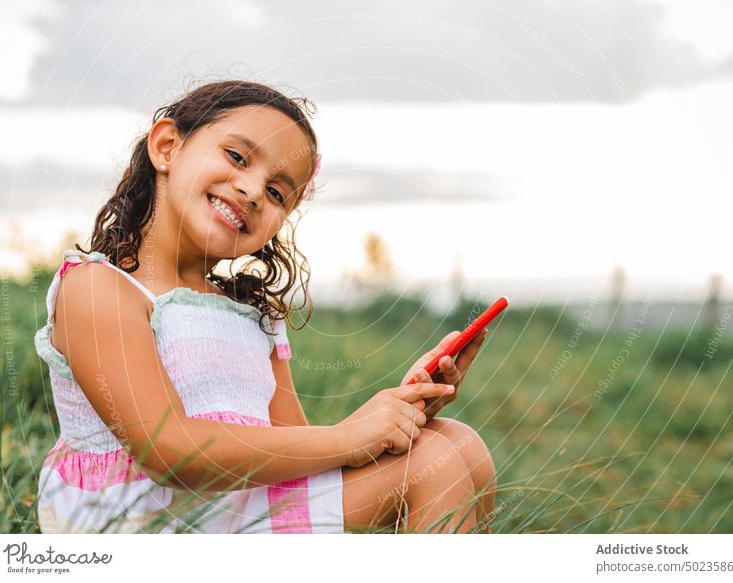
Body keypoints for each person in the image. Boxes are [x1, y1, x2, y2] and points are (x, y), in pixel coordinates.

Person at [34, 79, 496, 534]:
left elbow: (297, 455)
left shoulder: (253, 317)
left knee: (458, 445)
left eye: (277, 193)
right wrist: (351, 438)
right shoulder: (99, 288)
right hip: (145, 522)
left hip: (237, 509)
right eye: (237, 157)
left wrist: (391, 415)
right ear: (167, 146)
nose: (254, 191)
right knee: (437, 460)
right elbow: (169, 451)